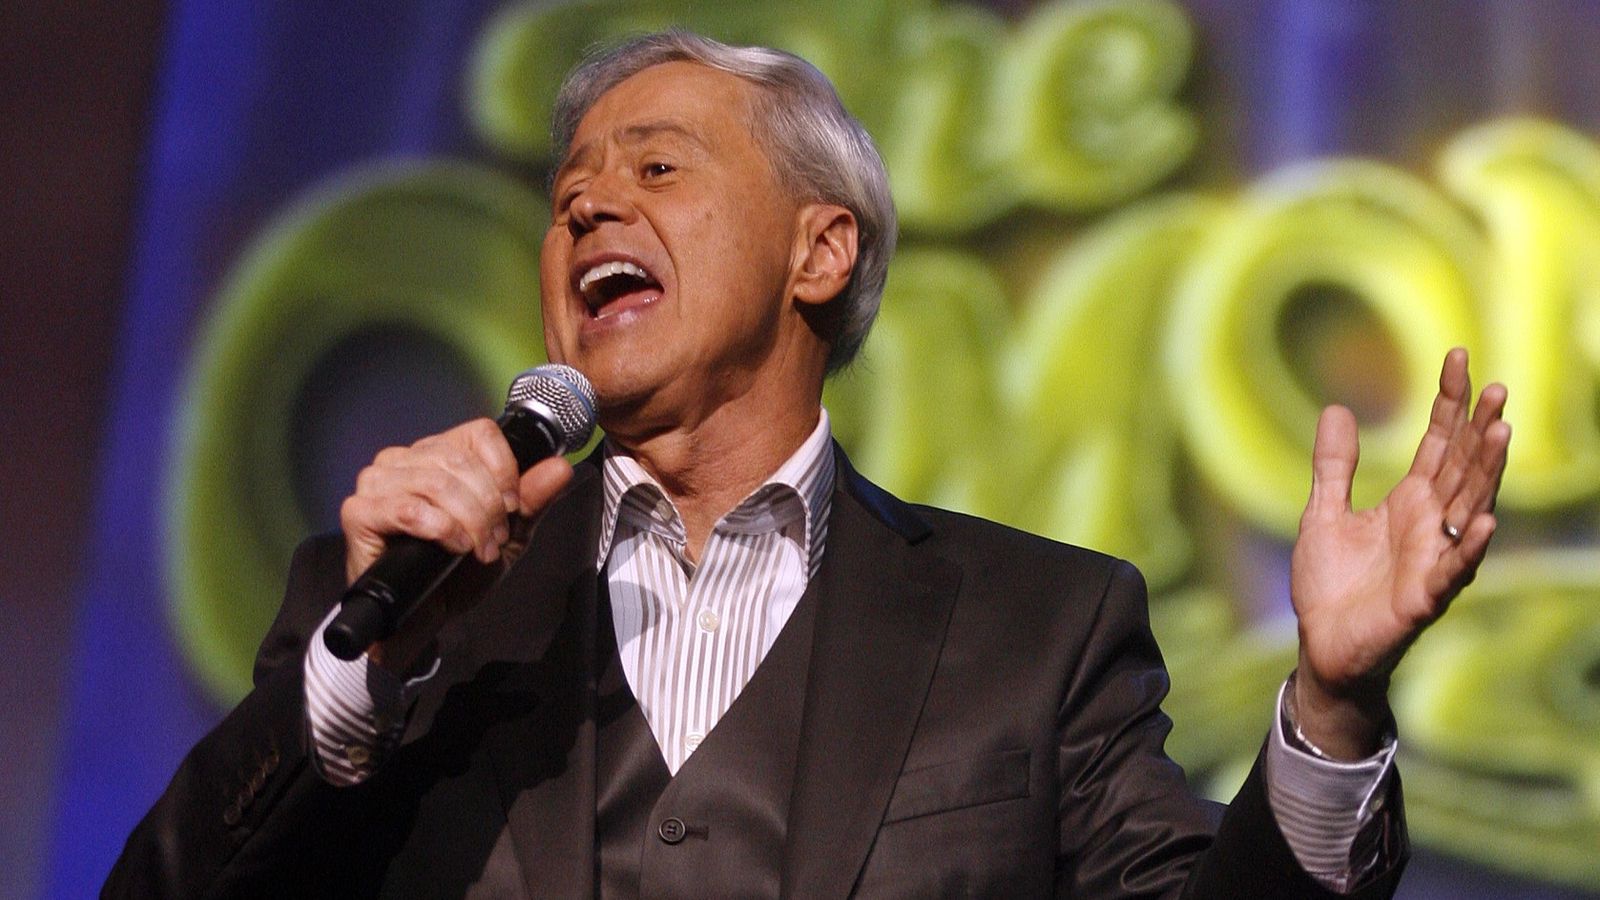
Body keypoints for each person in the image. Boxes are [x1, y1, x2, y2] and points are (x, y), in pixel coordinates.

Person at [106, 31, 1510, 898]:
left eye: (656, 169)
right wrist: (356, 686)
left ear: (819, 252)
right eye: (570, 192)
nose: (591, 198)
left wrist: (1331, 702)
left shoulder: (1037, 633)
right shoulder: (406, 607)